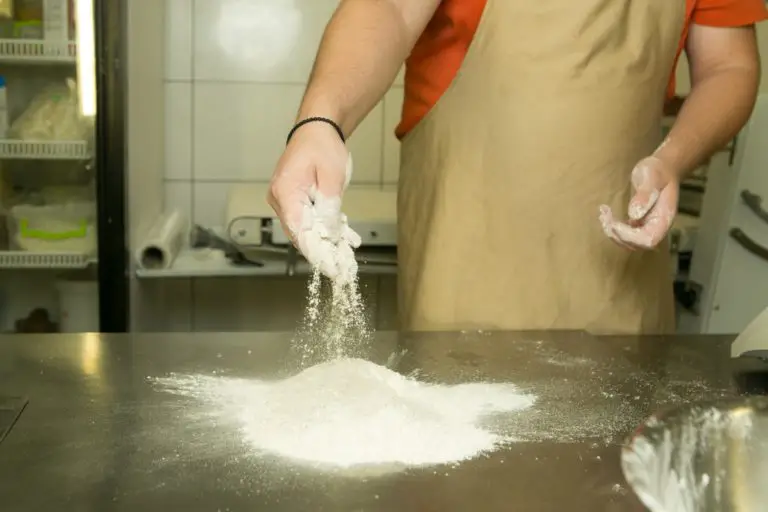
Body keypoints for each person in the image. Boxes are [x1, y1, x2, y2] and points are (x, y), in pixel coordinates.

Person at [268, 0, 766, 333]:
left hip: (622, 293)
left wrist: (673, 158)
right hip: (463, 279)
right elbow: (391, 9)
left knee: (608, 481)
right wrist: (322, 120)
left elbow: (729, 65)